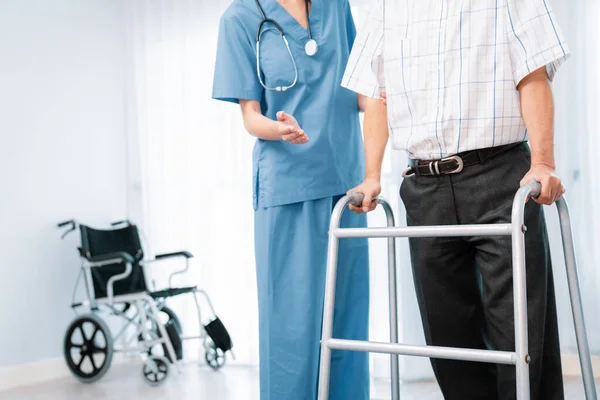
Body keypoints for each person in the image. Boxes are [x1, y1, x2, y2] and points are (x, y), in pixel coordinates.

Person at [344, 1, 569, 399]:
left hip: (501, 177)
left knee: (519, 334)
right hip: (424, 185)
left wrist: (543, 162)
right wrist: (372, 175)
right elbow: (378, 95)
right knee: (447, 336)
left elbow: (533, 72)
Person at [212, 1, 369, 399]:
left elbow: (361, 87)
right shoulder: (240, 18)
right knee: (292, 330)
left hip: (346, 187)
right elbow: (250, 116)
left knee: (347, 328)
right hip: (288, 188)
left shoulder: (335, 7)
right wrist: (280, 130)